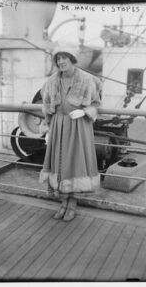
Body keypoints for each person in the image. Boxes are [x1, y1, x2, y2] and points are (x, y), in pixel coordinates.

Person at [39, 44, 101, 221]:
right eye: (58, 59)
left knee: (75, 163)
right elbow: (46, 107)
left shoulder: (88, 80)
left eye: (64, 58)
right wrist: (48, 128)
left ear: (72, 59)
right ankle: (63, 202)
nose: (61, 62)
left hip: (79, 126)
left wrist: (85, 111)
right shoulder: (51, 81)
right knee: (59, 165)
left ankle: (72, 204)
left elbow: (96, 104)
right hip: (58, 126)